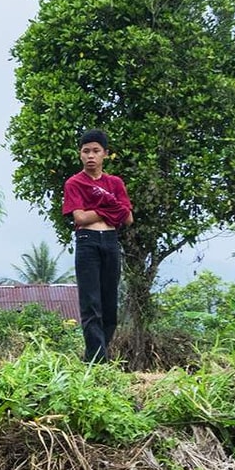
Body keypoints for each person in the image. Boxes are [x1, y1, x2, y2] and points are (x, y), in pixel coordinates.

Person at [62, 128, 133, 363]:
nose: (90, 156)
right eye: (85, 151)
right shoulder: (74, 183)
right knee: (91, 303)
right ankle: (98, 362)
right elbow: (79, 219)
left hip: (111, 243)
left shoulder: (115, 183)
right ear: (80, 155)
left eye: (96, 151)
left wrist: (100, 211)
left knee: (110, 304)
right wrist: (107, 209)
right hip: (87, 242)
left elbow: (128, 218)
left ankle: (94, 357)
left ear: (105, 154)